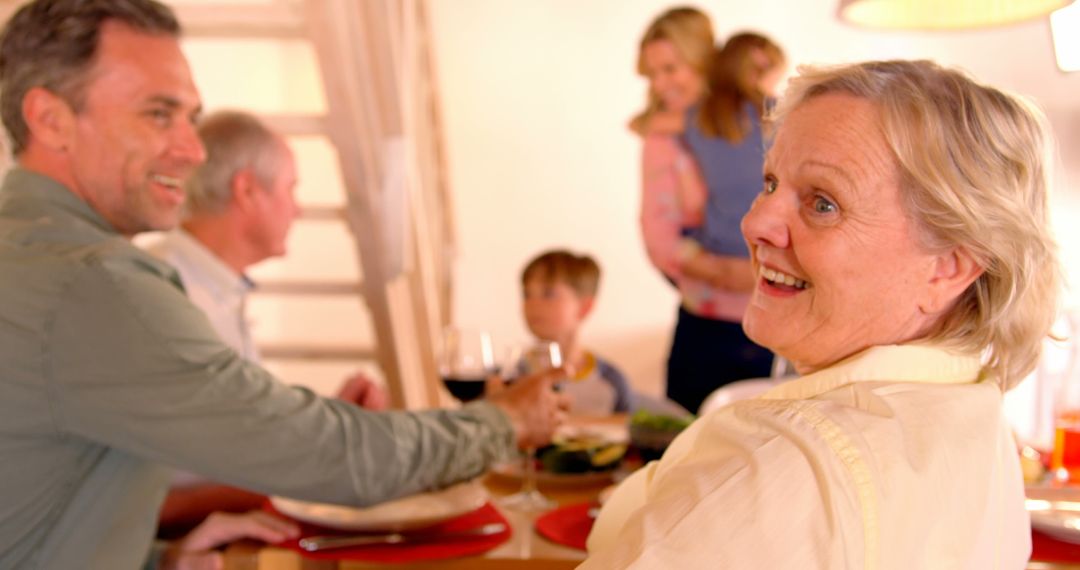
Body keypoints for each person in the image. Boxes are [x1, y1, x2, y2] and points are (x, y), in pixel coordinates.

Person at [0, 1, 566, 569]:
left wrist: (153, 559)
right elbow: (342, 461)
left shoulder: (32, 256)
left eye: (190, 118)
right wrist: (505, 420)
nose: (193, 151)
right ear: (50, 120)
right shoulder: (94, 285)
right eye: (158, 114)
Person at [584, 59, 1058, 567]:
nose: (755, 222)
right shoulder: (977, 418)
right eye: (769, 184)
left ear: (949, 266)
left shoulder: (777, 465)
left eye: (823, 204)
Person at [144, 110, 388, 535]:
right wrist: (302, 472)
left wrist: (325, 427)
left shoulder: (217, 286)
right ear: (248, 190)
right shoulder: (167, 295)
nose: (298, 208)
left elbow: (238, 442)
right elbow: (134, 495)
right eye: (292, 188)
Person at [632, 11, 786, 413]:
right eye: (652, 74)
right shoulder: (665, 141)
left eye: (671, 68)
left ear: (704, 60)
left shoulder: (759, 120)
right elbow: (660, 241)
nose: (660, 84)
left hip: (778, 323)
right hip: (707, 328)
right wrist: (730, 274)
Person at [520, 249, 632, 415]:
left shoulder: (611, 382)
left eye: (548, 294)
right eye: (526, 294)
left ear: (584, 307)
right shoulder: (514, 378)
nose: (533, 303)